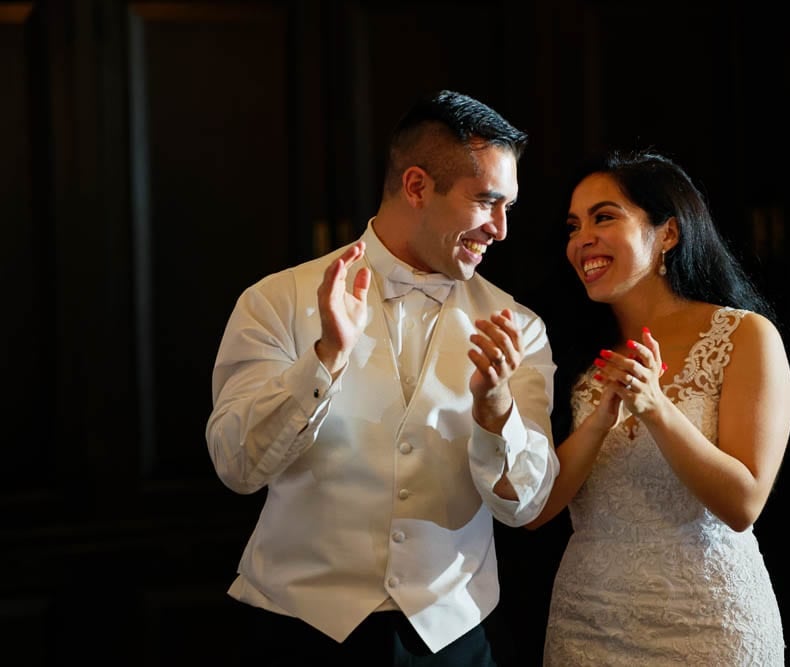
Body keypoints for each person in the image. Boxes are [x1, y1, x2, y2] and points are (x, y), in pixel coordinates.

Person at [205, 89, 559, 666]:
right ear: (417, 187)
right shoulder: (275, 300)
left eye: (508, 208)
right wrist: (324, 360)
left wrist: (497, 414)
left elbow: (526, 505)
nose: (500, 228)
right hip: (297, 630)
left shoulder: (519, 327)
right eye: (487, 202)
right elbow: (235, 466)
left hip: (453, 639)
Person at [527, 148, 790, 665]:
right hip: (589, 621)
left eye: (605, 217)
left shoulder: (744, 336)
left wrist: (655, 407)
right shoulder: (562, 350)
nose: (583, 239)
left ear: (667, 233)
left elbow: (744, 506)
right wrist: (600, 421)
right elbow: (538, 510)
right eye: (573, 225)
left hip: (710, 621)